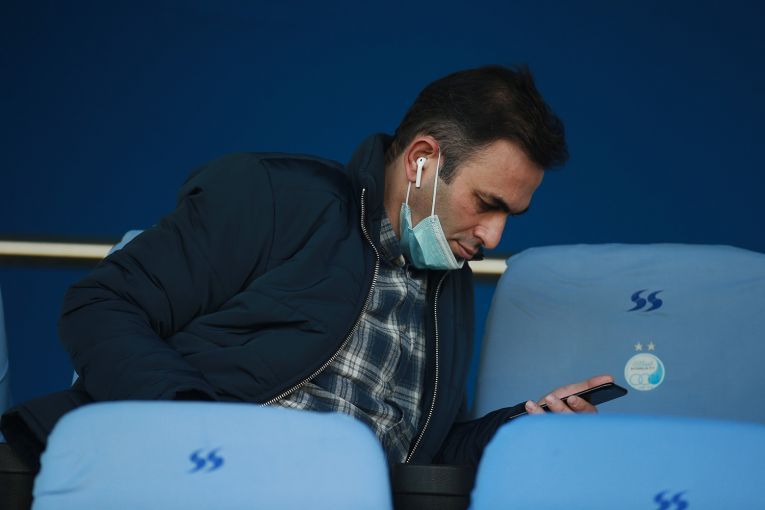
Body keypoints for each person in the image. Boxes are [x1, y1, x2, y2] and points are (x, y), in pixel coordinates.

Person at [1, 64, 613, 468]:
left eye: (510, 217)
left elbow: (428, 453)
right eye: (486, 203)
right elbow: (101, 306)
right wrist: (195, 433)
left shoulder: (447, 289)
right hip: (198, 480)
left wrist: (524, 425)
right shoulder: (276, 197)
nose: (494, 235)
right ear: (422, 160)